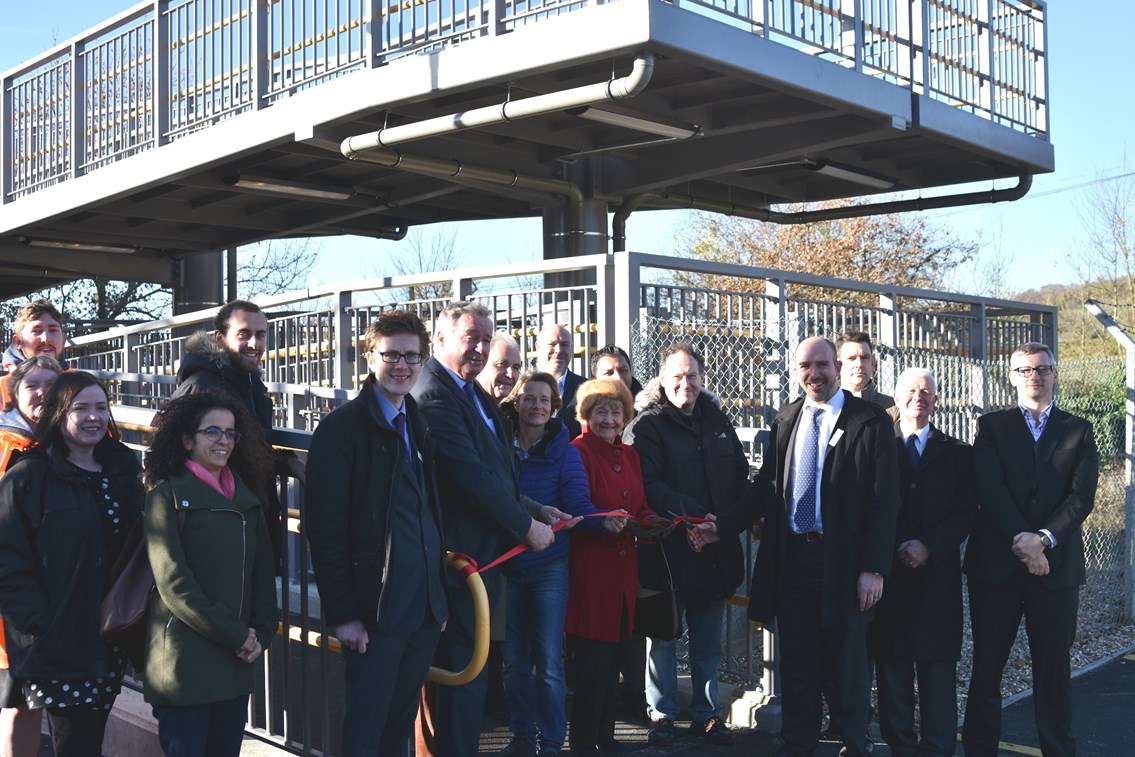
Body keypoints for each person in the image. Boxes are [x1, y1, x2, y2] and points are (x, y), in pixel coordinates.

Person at [702, 336, 900, 757]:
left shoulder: (871, 420)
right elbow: (765, 487)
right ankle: (799, 746)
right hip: (793, 562)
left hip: (845, 565)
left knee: (847, 668)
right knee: (798, 668)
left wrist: (874, 567)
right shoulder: (786, 418)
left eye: (822, 365)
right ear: (796, 371)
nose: (814, 374)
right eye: (805, 366)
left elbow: (886, 500)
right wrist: (725, 526)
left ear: (837, 367)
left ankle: (854, 744)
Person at [411, 301, 569, 757]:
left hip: (483, 562)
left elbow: (496, 474)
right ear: (440, 339)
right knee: (457, 683)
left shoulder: (471, 393)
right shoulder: (434, 392)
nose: (480, 347)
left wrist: (537, 510)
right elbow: (469, 477)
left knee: (468, 682)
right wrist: (525, 527)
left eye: (486, 338)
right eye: (471, 337)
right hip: (459, 563)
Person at [305, 311, 448, 755]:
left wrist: (437, 596)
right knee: (366, 731)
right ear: (370, 357)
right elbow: (324, 530)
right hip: (375, 611)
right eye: (391, 355)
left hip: (421, 609)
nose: (402, 365)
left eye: (412, 356)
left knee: (397, 726)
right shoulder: (340, 429)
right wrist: (344, 613)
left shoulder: (419, 421)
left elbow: (430, 513)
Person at [961, 342, 1098, 757]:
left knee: (1053, 673)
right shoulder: (991, 426)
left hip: (1055, 570)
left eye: (1042, 369)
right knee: (986, 669)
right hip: (996, 569)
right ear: (1012, 376)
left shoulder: (1079, 429)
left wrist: (1042, 540)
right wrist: (1024, 541)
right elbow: (990, 490)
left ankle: (1058, 750)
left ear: (1055, 374)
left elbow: (1081, 497)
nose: (1034, 376)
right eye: (1024, 370)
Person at [0, 373, 144, 757]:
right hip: (59, 639)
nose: (93, 417)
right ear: (59, 414)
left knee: (88, 739)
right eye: (81, 408)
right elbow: (7, 558)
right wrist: (39, 624)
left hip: (110, 635)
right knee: (76, 742)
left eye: (100, 407)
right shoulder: (29, 475)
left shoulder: (122, 470)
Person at [623, 343, 750, 747]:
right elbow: (651, 484)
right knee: (662, 636)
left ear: (702, 378)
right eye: (676, 376)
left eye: (691, 375)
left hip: (713, 548)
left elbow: (739, 474)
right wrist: (696, 515)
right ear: (662, 380)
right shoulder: (649, 426)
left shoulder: (716, 420)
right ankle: (661, 714)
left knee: (707, 640)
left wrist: (725, 522)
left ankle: (707, 713)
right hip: (668, 547)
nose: (685, 383)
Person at [141, 390, 277, 757]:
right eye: (212, 432)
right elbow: (174, 585)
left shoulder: (246, 499)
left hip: (234, 666)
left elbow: (264, 575)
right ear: (186, 439)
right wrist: (237, 634)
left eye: (231, 433)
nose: (224, 441)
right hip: (185, 665)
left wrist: (262, 634)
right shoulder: (166, 497)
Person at [497, 372, 608, 757]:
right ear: (516, 403)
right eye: (529, 398)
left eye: (545, 400)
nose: (537, 406)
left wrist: (601, 519)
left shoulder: (565, 449)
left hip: (548, 567)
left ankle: (551, 742)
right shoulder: (498, 443)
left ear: (555, 407)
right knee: (513, 661)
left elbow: (577, 499)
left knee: (548, 659)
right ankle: (521, 734)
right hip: (506, 566)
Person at [870, 368, 975, 757]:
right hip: (891, 574)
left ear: (936, 399)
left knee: (937, 674)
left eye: (927, 391)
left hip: (937, 578)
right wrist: (900, 545)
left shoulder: (959, 453)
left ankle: (938, 748)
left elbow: (967, 510)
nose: (920, 396)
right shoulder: (879, 448)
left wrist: (929, 545)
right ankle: (900, 747)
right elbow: (869, 506)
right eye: (911, 390)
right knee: (893, 671)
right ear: (896, 398)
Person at [567, 378, 670, 756]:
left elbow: (638, 506)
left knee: (612, 668)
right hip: (592, 575)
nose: (610, 420)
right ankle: (582, 744)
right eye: (601, 412)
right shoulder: (576, 452)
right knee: (591, 670)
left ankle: (606, 740)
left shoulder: (630, 455)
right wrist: (603, 520)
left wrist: (655, 522)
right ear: (586, 416)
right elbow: (577, 506)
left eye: (616, 412)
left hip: (624, 578)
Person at [172, 299, 304, 568]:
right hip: (217, 524)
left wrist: (285, 462)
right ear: (220, 339)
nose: (254, 344)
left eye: (260, 335)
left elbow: (246, 448)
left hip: (250, 514)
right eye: (244, 334)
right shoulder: (202, 386)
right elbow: (174, 454)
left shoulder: (249, 385)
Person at [0, 356, 63, 757]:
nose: (43, 394)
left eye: (52, 385)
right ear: (15, 395)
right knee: (20, 704)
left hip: (69, 593)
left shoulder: (83, 442)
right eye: (32, 385)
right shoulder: (7, 446)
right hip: (16, 600)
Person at [535, 324, 585, 438]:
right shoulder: (522, 388)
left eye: (564, 344)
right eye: (552, 344)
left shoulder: (587, 389)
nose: (558, 350)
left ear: (571, 348)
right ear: (538, 347)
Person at [836, 331, 896, 415]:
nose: (859, 364)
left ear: (873, 363)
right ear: (838, 365)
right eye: (851, 358)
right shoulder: (824, 404)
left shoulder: (892, 407)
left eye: (864, 357)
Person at [2, 300, 66, 370]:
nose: (46, 339)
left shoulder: (75, 379)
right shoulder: (4, 380)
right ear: (18, 342)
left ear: (63, 340)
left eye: (53, 330)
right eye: (36, 331)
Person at [478, 332, 523, 403]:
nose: (510, 375)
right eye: (502, 364)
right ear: (481, 363)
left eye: (516, 368)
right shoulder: (465, 405)